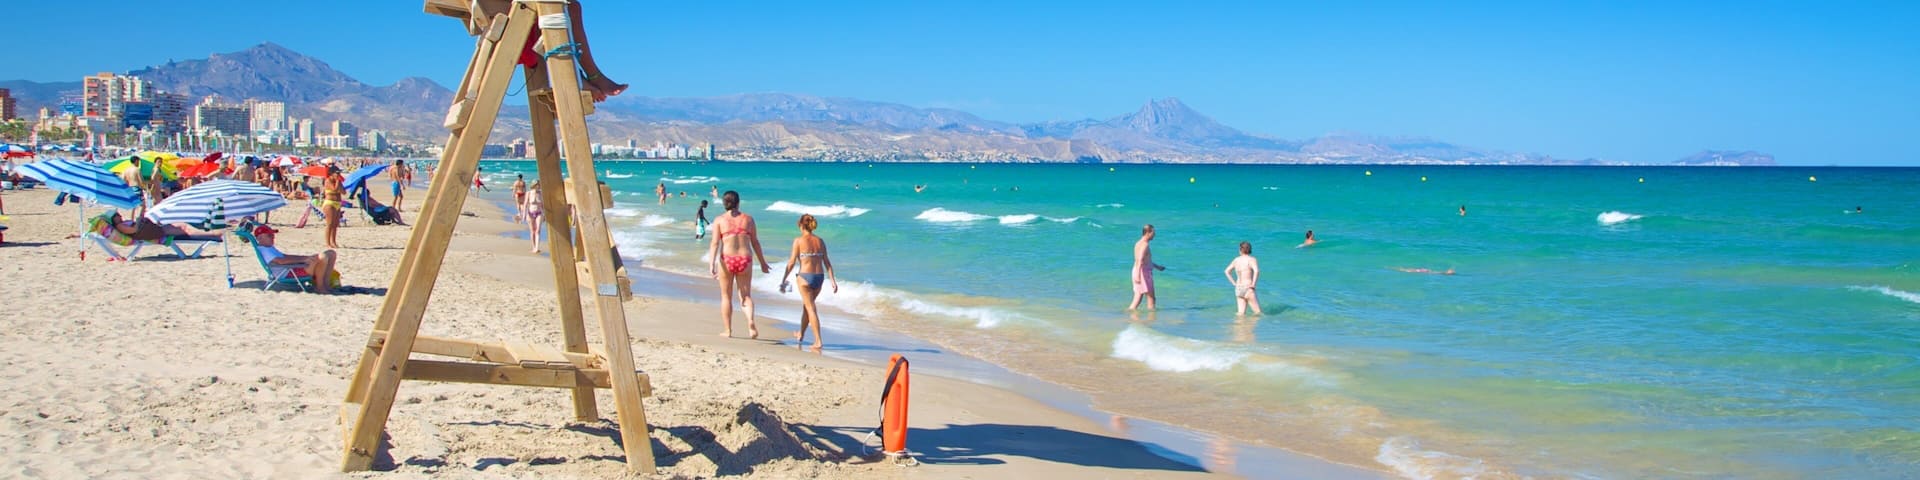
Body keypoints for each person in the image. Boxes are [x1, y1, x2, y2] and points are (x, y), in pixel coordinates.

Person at [707, 190, 771, 338]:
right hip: (745, 259)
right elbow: (755, 242)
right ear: (738, 202)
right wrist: (763, 262)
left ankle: (728, 330)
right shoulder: (748, 219)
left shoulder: (719, 220)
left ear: (724, 203)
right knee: (746, 296)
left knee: (726, 296)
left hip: (727, 259)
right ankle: (750, 322)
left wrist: (711, 264)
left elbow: (715, 243)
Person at [779, 214, 839, 352]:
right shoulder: (820, 241)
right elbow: (827, 262)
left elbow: (791, 262)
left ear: (801, 225)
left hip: (805, 277)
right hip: (819, 277)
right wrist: (833, 280)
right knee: (807, 307)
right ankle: (801, 333)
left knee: (810, 308)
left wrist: (783, 280)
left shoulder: (798, 241)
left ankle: (818, 341)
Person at [251, 224, 339, 295]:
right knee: (323, 257)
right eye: (269, 235)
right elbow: (281, 261)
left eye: (273, 235)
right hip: (288, 272)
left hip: (291, 268)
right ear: (260, 238)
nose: (273, 237)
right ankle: (320, 287)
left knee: (331, 253)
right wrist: (304, 260)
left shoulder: (269, 248)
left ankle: (326, 285)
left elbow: (285, 257)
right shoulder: (265, 250)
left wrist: (305, 258)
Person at [1128, 224, 1167, 311]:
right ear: (1148, 233)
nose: (1154, 235)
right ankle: (1151, 319)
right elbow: (1140, 260)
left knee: (1138, 297)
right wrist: (1138, 275)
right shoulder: (1145, 245)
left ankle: (1129, 313)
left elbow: (1145, 261)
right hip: (1142, 273)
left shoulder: (1138, 243)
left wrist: (1157, 267)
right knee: (1151, 298)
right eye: (1153, 232)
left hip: (1137, 270)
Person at [1222, 241, 1262, 316]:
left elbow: (1226, 271)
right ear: (1249, 250)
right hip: (1248, 287)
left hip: (1238, 288)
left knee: (1240, 313)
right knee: (1258, 313)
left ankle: (1239, 327)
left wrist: (1234, 283)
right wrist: (1253, 284)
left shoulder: (1236, 260)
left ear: (1240, 249)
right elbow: (1256, 271)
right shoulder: (1252, 259)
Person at [323, 166, 346, 249]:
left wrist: (340, 184)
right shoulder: (328, 181)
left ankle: (333, 242)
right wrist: (337, 182)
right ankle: (328, 243)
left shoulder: (339, 182)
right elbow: (334, 189)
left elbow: (344, 192)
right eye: (337, 173)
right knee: (329, 224)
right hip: (330, 203)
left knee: (335, 224)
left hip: (337, 203)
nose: (338, 175)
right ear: (332, 173)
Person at [522, 182, 544, 253]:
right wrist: (524, 215)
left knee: (538, 231)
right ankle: (533, 246)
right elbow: (525, 204)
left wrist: (545, 215)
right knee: (532, 231)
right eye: (537, 185)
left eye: (539, 185)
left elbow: (543, 205)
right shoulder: (528, 193)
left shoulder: (541, 193)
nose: (538, 187)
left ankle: (537, 248)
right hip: (530, 213)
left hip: (539, 213)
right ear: (534, 185)